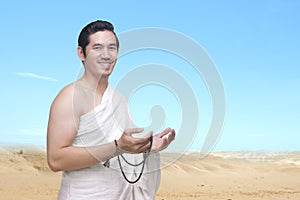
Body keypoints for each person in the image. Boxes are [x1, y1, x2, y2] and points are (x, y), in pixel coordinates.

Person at [47, 20, 175, 200]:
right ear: (81, 53)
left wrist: (145, 147)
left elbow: (122, 146)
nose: (106, 55)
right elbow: (56, 160)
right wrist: (117, 147)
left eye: (112, 48)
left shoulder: (118, 98)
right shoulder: (70, 97)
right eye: (97, 48)